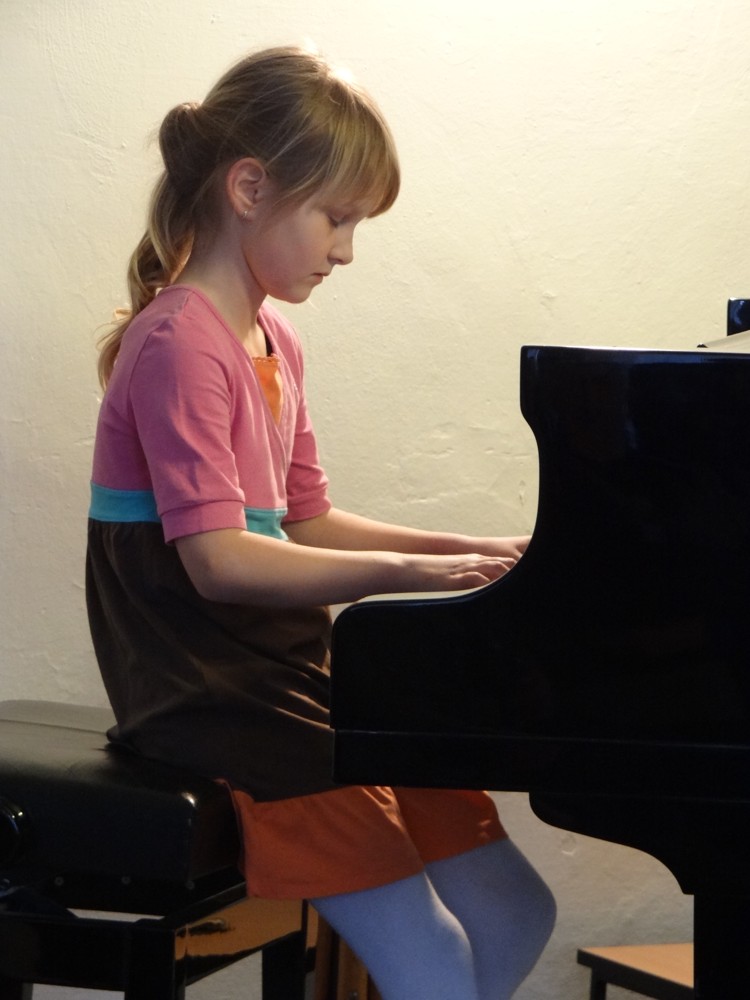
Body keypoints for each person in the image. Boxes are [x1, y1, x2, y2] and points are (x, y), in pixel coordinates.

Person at [86, 45, 555, 1000]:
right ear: (249, 187)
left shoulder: (274, 338)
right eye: (336, 218)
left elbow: (303, 522)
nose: (345, 250)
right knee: (434, 964)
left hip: (288, 673)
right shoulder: (177, 341)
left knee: (517, 910)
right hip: (214, 691)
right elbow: (219, 563)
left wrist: (470, 552)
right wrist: (409, 577)